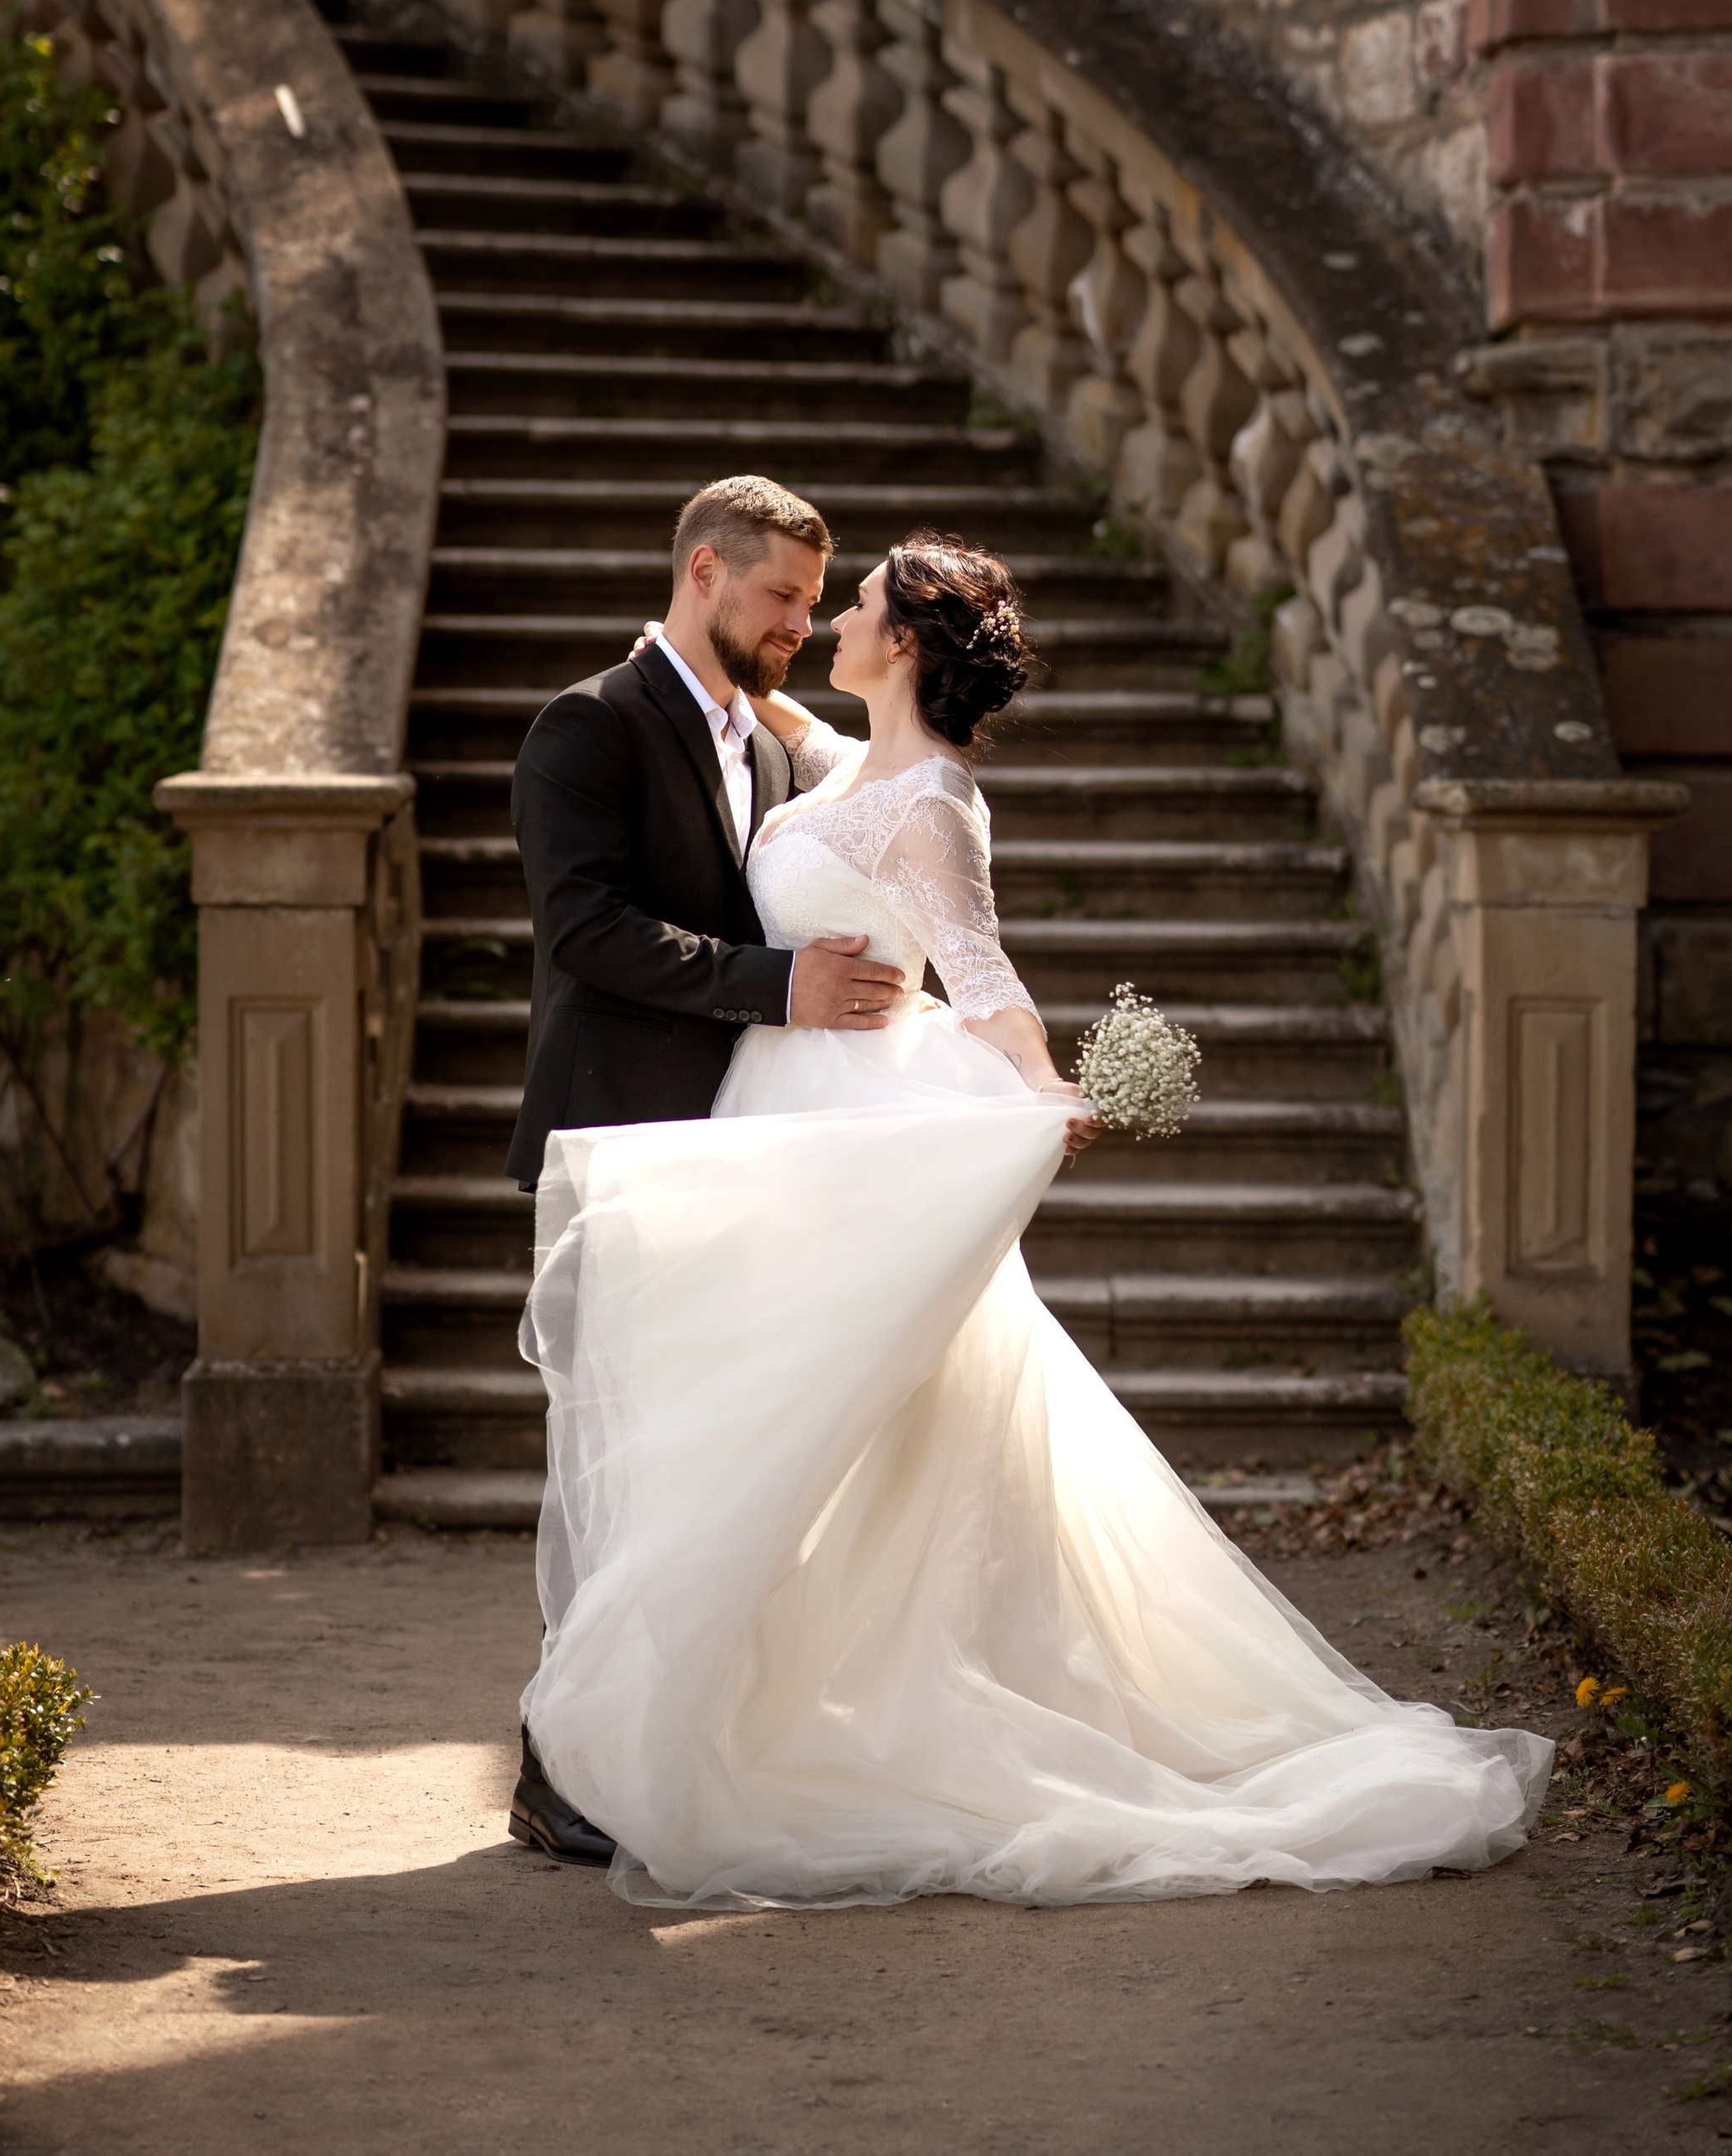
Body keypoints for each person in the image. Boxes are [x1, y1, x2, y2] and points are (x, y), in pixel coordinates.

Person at [516, 530, 1554, 1910]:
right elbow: (763, 750)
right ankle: (667, 1731)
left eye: (856, 606)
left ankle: (802, 1726)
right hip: (767, 1122)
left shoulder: (933, 799)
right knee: (742, 1428)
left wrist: (1041, 1074)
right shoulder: (829, 758)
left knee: (822, 1433)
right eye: (809, 600)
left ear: (908, 645)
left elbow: (983, 969)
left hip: (847, 1135)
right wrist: (734, 690)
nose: (830, 622)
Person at [504, 473, 908, 1858]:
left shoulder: (783, 750)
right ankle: (555, 1771)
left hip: (744, 1151)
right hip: (621, 1136)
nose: (800, 621)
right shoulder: (591, 725)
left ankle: (655, 1743)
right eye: (782, 595)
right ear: (701, 572)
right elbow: (585, 930)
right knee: (610, 1454)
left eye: (814, 600)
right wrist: (774, 985)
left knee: (692, 1463)